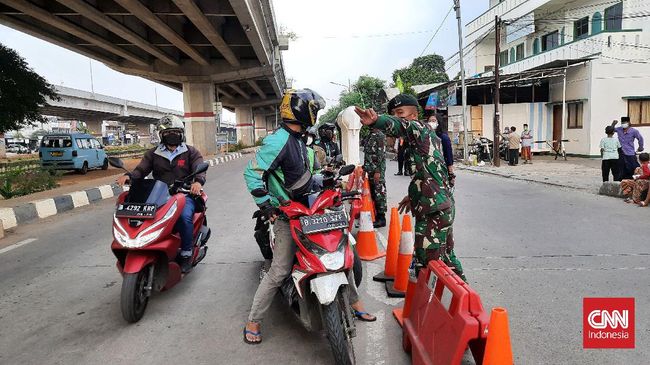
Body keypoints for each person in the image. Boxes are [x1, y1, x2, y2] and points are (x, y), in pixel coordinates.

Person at [243, 89, 375, 345]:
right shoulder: (279, 140)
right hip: (287, 214)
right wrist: (267, 206)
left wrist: (326, 178)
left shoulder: (299, 140)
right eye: (314, 108)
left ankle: (355, 301)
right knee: (279, 270)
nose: (316, 113)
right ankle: (253, 320)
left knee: (338, 252)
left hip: (311, 210)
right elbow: (252, 174)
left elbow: (303, 177)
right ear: (302, 110)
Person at [355, 94, 465, 281]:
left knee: (425, 260)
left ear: (414, 114)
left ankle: (430, 306)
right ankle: (467, 301)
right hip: (441, 206)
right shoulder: (424, 138)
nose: (398, 117)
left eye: (400, 112)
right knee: (447, 257)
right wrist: (412, 195)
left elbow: (401, 125)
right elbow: (428, 173)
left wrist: (376, 120)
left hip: (434, 210)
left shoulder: (417, 127)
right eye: (394, 114)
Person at [116, 115, 205, 273]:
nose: (172, 135)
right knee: (142, 216)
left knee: (184, 217)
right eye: (167, 132)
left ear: (181, 134)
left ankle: (186, 253)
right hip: (159, 195)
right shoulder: (153, 154)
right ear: (161, 135)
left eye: (175, 132)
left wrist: (197, 182)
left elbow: (199, 167)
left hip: (183, 195)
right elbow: (141, 170)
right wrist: (129, 176)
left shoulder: (190, 152)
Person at [363, 125, 387, 228]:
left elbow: (381, 154)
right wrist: (365, 169)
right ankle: (375, 216)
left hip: (377, 170)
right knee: (373, 193)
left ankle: (381, 218)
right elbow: (367, 154)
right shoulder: (370, 135)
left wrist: (378, 171)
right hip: (370, 169)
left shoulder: (380, 135)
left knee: (379, 193)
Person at [428, 113, 455, 187]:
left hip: (440, 169)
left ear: (438, 123)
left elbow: (448, 155)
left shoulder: (443, 138)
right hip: (429, 169)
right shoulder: (427, 136)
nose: (431, 123)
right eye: (429, 121)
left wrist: (451, 172)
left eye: (433, 121)